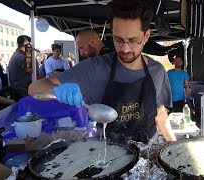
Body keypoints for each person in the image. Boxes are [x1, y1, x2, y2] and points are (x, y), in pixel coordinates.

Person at [28, 0, 176, 144]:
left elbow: (161, 116)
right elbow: (33, 89)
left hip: (148, 157)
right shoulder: (95, 69)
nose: (125, 49)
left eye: (133, 40)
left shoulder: (157, 71)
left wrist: (175, 147)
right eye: (118, 40)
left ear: (146, 36)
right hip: (109, 159)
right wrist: (56, 89)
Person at [8, 35, 32, 101]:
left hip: (19, 89)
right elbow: (30, 69)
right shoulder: (20, 57)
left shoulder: (17, 54)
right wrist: (29, 52)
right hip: (21, 91)